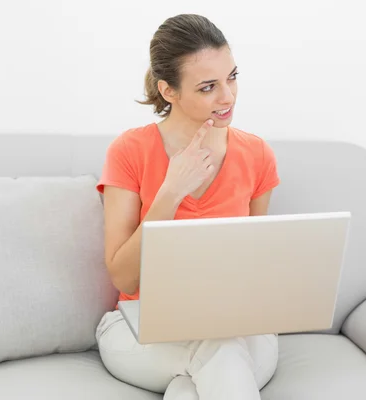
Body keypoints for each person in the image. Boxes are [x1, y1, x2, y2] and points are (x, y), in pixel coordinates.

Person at [95, 14, 280, 400]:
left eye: (232, 77)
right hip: (140, 326)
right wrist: (170, 193)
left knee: (202, 370)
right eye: (208, 87)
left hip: (237, 327)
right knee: (220, 356)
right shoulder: (129, 151)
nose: (227, 96)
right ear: (169, 91)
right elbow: (125, 279)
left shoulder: (257, 154)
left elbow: (258, 260)